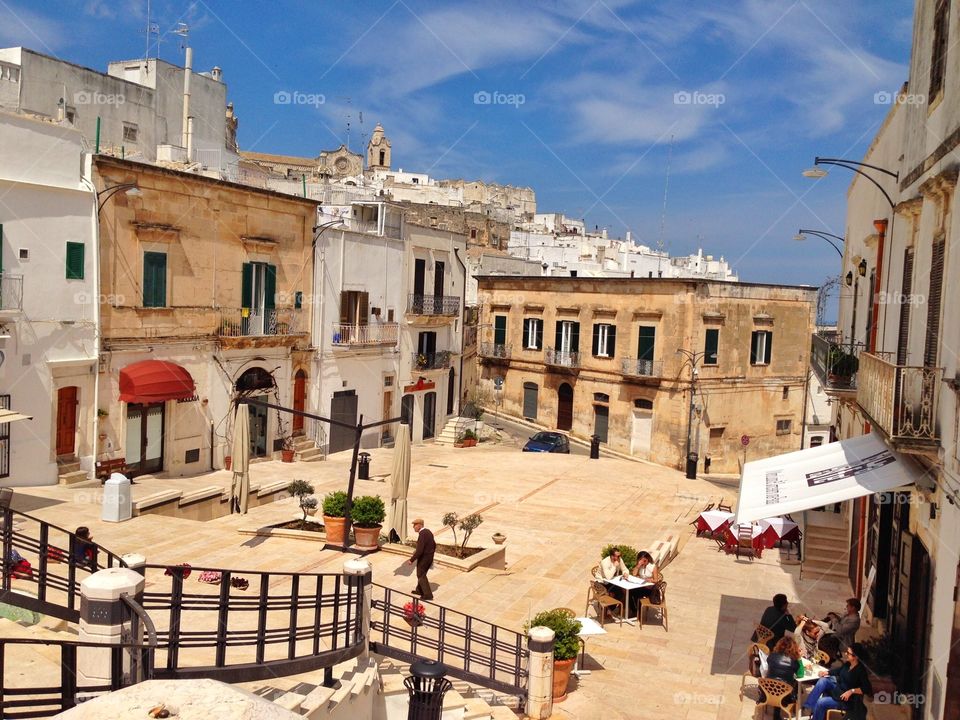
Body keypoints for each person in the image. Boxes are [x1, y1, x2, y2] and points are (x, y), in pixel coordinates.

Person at [802, 642, 872, 720]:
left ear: (855, 657)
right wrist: (827, 672)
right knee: (823, 681)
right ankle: (808, 706)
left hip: (845, 700)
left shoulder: (860, 671)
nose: (845, 654)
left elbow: (867, 688)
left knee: (820, 702)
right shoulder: (848, 664)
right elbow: (839, 670)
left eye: (848, 653)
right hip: (838, 690)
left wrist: (851, 691)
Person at [765, 636, 802, 718]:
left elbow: (769, 664)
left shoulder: (772, 656)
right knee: (793, 686)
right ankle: (795, 710)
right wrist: (799, 658)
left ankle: (776, 712)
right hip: (784, 695)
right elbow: (800, 675)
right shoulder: (794, 661)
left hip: (768, 690)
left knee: (777, 683)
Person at [407, 518, 435, 600]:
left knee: (421, 575)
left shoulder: (422, 534)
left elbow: (420, 550)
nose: (413, 527)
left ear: (419, 525)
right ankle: (419, 590)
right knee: (422, 574)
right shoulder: (428, 532)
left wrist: (411, 560)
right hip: (429, 557)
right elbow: (434, 544)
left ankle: (428, 594)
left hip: (424, 558)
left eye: (415, 525)